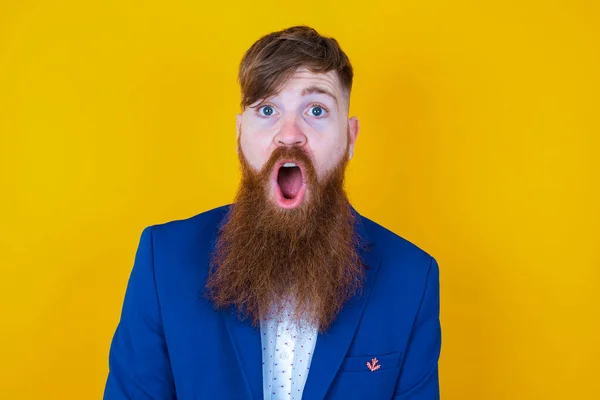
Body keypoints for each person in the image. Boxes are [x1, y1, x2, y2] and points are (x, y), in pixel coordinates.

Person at [103, 25, 441, 400]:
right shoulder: (163, 259)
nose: (290, 134)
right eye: (267, 109)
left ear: (350, 138)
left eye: (316, 110)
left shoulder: (413, 277)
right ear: (239, 133)